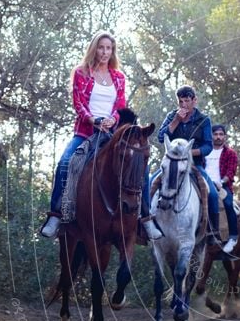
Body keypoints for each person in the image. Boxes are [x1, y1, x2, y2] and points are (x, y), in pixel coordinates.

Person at [39, 31, 161, 240]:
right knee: (66, 162)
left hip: (113, 131)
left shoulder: (119, 77)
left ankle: (145, 218)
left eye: (108, 48)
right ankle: (56, 214)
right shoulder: (81, 73)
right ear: (94, 48)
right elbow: (78, 103)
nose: (105, 52)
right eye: (101, 47)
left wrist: (113, 119)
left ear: (112, 51)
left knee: (142, 165)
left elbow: (120, 105)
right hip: (86, 130)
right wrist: (94, 120)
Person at [154, 85, 220, 244]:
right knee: (151, 183)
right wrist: (176, 120)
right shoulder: (172, 116)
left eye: (187, 101)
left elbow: (208, 146)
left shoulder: (204, 120)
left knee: (212, 193)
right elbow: (161, 137)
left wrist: (189, 153)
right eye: (181, 101)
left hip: (194, 165)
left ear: (194, 101)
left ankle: (212, 232)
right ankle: (146, 224)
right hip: (172, 164)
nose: (183, 105)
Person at [205, 124, 239, 253]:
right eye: (215, 134)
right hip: (203, 185)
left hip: (222, 186)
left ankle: (233, 237)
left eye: (221, 134)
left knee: (228, 204)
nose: (218, 137)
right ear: (211, 136)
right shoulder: (205, 151)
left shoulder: (230, 153)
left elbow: (231, 172)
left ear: (224, 137)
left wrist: (221, 182)